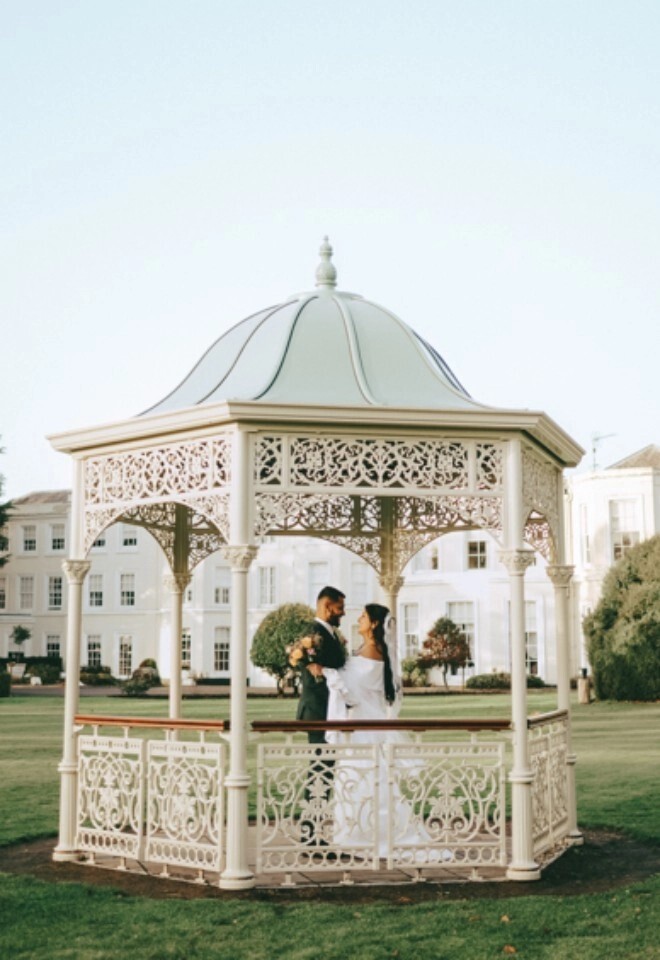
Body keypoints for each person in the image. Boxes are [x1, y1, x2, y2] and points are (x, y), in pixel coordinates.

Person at [325, 604, 450, 862]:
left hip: (365, 727)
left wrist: (325, 671)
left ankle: (367, 835)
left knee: (364, 780)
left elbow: (352, 691)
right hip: (362, 725)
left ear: (373, 624)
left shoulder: (373, 651)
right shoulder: (367, 650)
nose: (358, 618)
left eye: (363, 616)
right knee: (358, 780)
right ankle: (355, 833)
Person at [295, 586, 347, 847]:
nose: (344, 613)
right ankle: (310, 834)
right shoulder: (312, 634)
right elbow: (316, 673)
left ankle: (314, 830)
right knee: (319, 772)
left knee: (325, 771)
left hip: (330, 711)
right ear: (327, 606)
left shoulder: (330, 634)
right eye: (340, 608)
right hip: (318, 711)